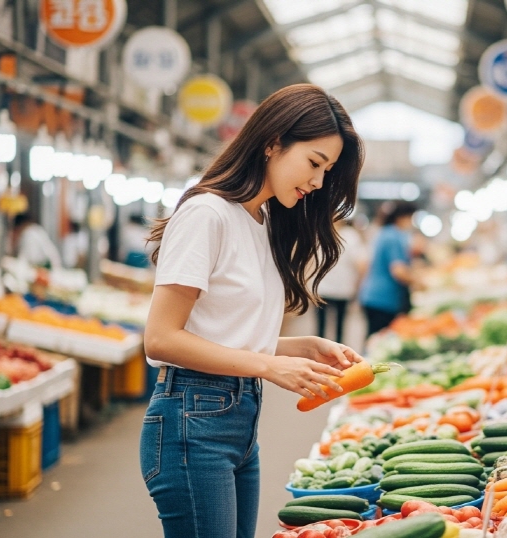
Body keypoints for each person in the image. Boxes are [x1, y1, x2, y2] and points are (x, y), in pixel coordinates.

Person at [141, 83, 365, 538]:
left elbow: (218, 330)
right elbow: (161, 338)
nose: (318, 182)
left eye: (327, 171)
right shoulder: (207, 214)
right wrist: (268, 365)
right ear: (272, 143)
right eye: (314, 163)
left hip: (238, 422)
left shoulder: (260, 219)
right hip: (193, 423)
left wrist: (298, 347)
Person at [359, 202, 417, 337]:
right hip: (383, 298)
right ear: (403, 217)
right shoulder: (394, 237)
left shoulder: (385, 232)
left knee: (373, 338)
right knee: (378, 340)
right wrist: (418, 282)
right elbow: (398, 271)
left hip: (373, 295)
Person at [316, 220, 367, 344]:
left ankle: (321, 349)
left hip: (328, 287)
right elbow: (361, 264)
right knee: (338, 325)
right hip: (337, 288)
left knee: (322, 326)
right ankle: (335, 350)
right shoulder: (350, 236)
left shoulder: (321, 232)